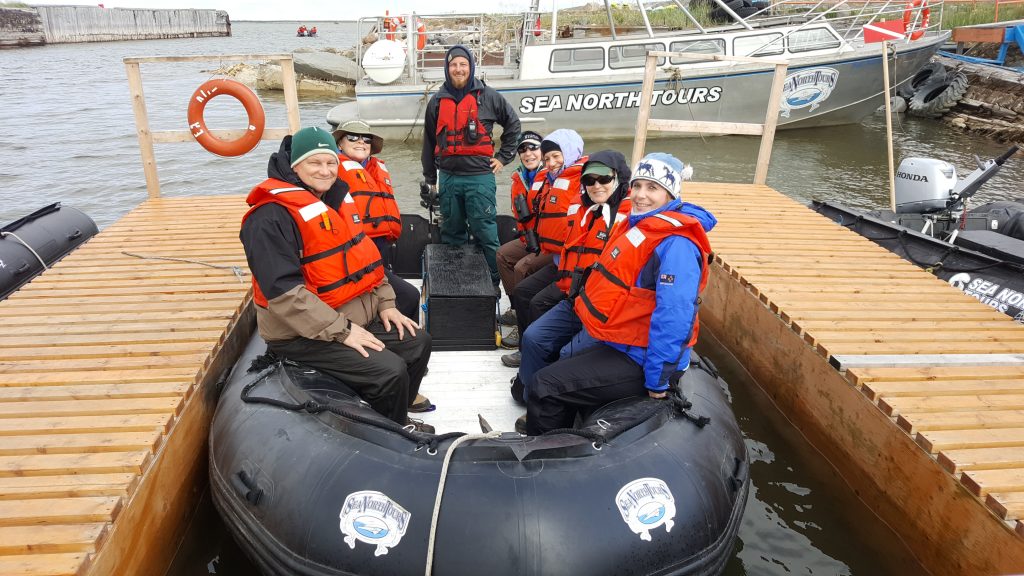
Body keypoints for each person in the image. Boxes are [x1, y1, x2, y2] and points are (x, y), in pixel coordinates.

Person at [240, 127, 434, 432]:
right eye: (314, 162)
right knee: (390, 371)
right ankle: (394, 434)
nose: (325, 170)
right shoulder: (269, 218)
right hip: (301, 333)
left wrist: (386, 304)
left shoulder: (336, 200)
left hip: (348, 314)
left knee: (418, 343)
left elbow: (367, 260)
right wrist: (343, 331)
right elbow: (285, 295)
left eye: (331, 162)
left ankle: (399, 409)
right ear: (295, 166)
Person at [522, 153, 715, 436]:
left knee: (544, 385)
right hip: (624, 340)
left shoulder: (677, 245)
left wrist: (658, 380)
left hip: (643, 357)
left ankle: (542, 454)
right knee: (559, 365)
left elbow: (674, 314)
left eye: (652, 188)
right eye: (637, 186)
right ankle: (564, 432)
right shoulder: (639, 226)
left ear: (671, 194)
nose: (641, 195)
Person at [511, 150, 632, 402]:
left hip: (606, 310)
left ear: (618, 178)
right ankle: (530, 395)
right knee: (533, 337)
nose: (596, 185)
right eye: (589, 180)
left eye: (604, 179)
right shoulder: (585, 211)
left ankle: (551, 402)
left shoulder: (631, 219)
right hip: (576, 299)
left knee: (569, 354)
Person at [421, 45, 521, 291]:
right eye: (453, 65)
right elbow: (429, 141)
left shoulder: (489, 97)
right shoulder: (436, 102)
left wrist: (503, 157)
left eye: (463, 64)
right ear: (447, 68)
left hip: (480, 178)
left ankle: (493, 285)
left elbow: (513, 124)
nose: (458, 69)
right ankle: (457, 284)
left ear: (471, 67)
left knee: (486, 233)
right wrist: (430, 178)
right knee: (451, 233)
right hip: (448, 178)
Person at [502, 128, 585, 366]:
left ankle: (537, 352)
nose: (551, 163)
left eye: (556, 156)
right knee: (522, 290)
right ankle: (525, 347)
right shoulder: (547, 180)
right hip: (552, 255)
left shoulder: (582, 183)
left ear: (570, 153)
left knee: (535, 295)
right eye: (547, 158)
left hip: (574, 265)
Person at [332, 120, 421, 323]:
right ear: (339, 144)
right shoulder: (332, 171)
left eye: (366, 139)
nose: (360, 142)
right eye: (352, 137)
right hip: (354, 256)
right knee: (408, 296)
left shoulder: (375, 168)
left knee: (401, 296)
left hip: (380, 250)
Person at [494, 130, 547, 342]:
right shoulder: (519, 178)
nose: (528, 153)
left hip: (550, 244)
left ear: (543, 151)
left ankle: (524, 325)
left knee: (521, 267)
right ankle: (517, 310)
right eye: (523, 149)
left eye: (533, 147)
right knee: (503, 255)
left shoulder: (552, 177)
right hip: (530, 239)